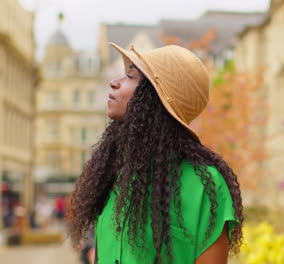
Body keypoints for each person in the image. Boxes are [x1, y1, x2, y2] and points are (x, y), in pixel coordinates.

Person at [68, 43, 243, 264]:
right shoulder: (112, 174)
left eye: (130, 77)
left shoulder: (205, 185)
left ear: (154, 98)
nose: (114, 83)